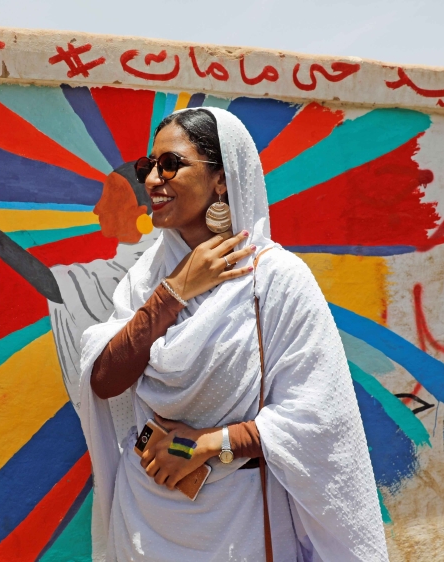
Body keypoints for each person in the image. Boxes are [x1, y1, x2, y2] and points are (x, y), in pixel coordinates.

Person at [77, 108, 388, 561]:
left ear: (222, 179)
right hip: (144, 516)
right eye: (148, 167)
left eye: (171, 164)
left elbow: (318, 418)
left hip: (237, 523)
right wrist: (175, 291)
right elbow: (105, 380)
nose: (152, 181)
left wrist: (206, 445)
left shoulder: (273, 279)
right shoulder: (146, 279)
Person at [0, 158, 160, 439]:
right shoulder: (153, 259)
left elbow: (48, 282)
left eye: (109, 198)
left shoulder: (134, 270)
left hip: (142, 433)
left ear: (140, 212)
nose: (97, 208)